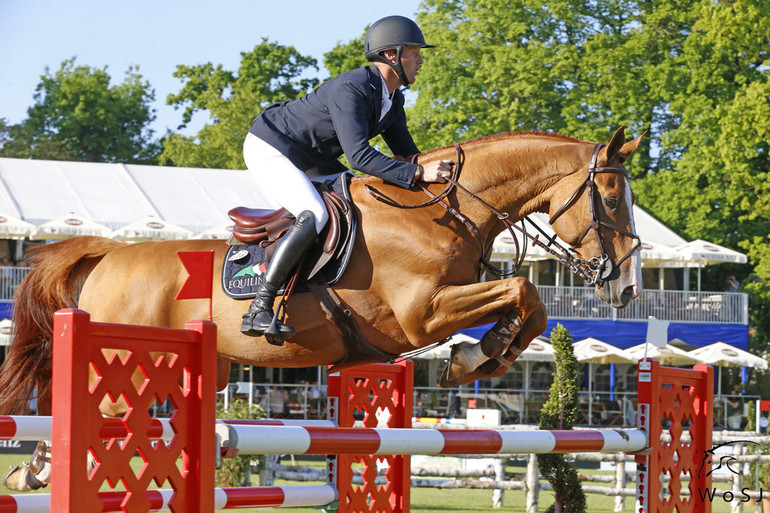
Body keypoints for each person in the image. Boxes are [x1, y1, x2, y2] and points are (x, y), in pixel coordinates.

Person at [240, 15, 454, 343]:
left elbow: (407, 155)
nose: (421, 60)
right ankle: (260, 306)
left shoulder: (393, 99)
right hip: (272, 146)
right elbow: (360, 158)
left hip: (314, 157)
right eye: (415, 53)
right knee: (315, 213)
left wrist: (443, 174)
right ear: (392, 55)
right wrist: (417, 173)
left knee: (364, 202)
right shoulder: (352, 88)